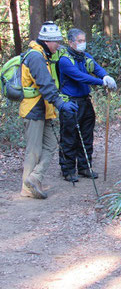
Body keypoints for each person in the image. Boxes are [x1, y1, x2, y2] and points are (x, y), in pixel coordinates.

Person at [19, 22, 79, 199]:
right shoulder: (36, 57)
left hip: (43, 109)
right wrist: (60, 104)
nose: (58, 45)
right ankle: (27, 188)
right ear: (47, 41)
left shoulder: (43, 55)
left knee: (51, 144)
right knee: (34, 150)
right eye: (56, 42)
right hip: (33, 109)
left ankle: (34, 178)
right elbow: (45, 84)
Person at [57, 28, 117, 183]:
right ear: (71, 42)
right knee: (69, 137)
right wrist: (101, 82)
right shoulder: (64, 60)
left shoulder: (85, 57)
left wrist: (105, 76)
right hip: (70, 102)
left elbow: (96, 68)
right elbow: (79, 77)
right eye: (80, 41)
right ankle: (68, 170)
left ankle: (85, 167)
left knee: (87, 135)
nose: (83, 43)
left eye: (84, 40)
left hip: (85, 101)